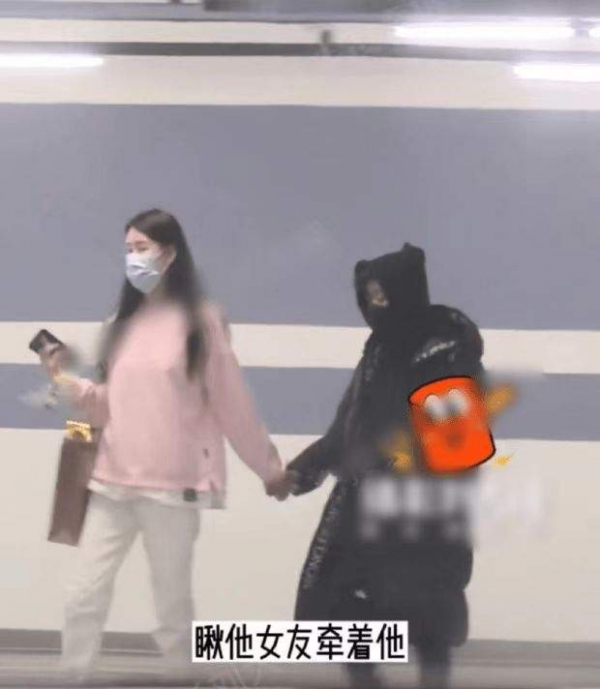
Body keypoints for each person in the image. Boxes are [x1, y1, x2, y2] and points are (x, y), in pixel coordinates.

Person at [40, 209, 288, 678]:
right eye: (128, 250)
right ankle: (71, 679)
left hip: (173, 490)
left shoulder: (201, 322)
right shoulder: (121, 323)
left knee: (172, 609)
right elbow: (107, 404)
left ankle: (183, 678)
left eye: (142, 248)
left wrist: (269, 468)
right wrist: (66, 383)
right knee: (82, 595)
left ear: (170, 253)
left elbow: (232, 403)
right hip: (112, 483)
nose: (133, 259)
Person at [284, 243, 484, 689]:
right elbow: (350, 423)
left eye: (383, 294)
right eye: (369, 296)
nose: (376, 305)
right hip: (365, 501)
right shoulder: (378, 350)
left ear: (407, 291)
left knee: (427, 612)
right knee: (343, 602)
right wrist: (306, 469)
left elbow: (456, 442)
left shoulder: (446, 348)